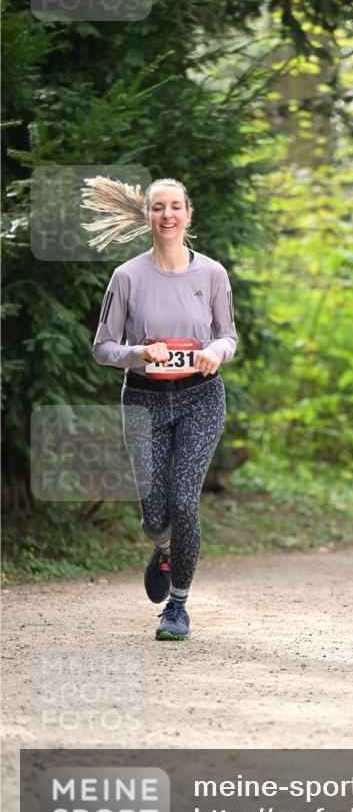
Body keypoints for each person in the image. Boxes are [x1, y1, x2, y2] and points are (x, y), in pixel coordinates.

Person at [84, 176, 237, 641]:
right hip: (145, 398)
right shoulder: (127, 276)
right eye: (158, 208)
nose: (167, 215)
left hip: (200, 396)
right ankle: (166, 548)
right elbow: (102, 347)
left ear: (188, 214)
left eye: (175, 207)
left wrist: (216, 352)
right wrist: (137, 354)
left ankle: (179, 606)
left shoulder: (212, 274)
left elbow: (227, 335)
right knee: (155, 515)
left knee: (184, 500)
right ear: (146, 216)